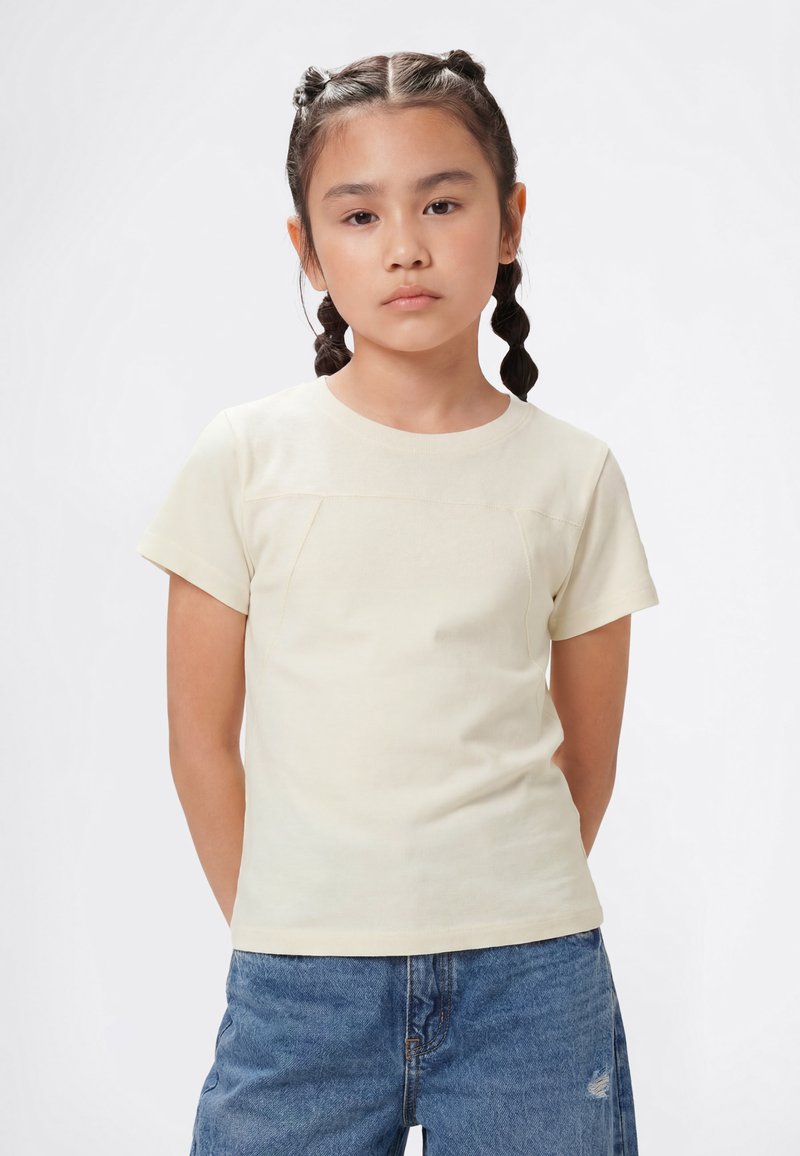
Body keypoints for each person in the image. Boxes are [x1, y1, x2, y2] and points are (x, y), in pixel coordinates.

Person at [137, 47, 659, 1156]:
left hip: (532, 983)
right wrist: (282, 922)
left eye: (442, 203)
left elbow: (589, 754)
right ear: (308, 249)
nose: (405, 246)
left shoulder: (573, 475)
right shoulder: (245, 459)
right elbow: (199, 742)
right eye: (360, 215)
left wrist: (499, 898)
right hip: (299, 986)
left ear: (509, 222)